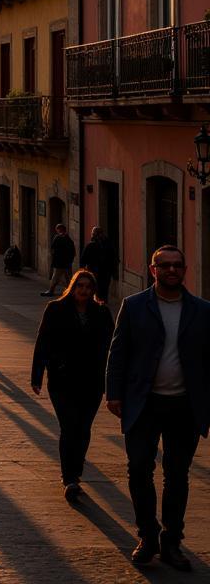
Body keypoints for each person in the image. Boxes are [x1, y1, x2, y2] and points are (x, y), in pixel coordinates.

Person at [106, 244, 210, 570]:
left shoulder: (202, 310)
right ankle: (147, 537)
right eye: (164, 265)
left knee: (177, 476)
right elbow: (118, 352)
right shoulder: (134, 306)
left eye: (177, 265)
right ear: (153, 270)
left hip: (185, 406)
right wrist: (113, 393)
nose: (171, 271)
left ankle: (172, 543)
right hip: (144, 403)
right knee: (139, 470)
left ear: (184, 269)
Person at [31, 269, 114, 502]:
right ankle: (69, 478)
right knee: (69, 427)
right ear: (73, 287)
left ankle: (75, 470)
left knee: (84, 428)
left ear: (93, 290)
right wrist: (37, 375)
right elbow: (43, 342)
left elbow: (112, 348)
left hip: (92, 381)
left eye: (88, 287)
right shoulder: (56, 309)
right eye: (80, 286)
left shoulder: (102, 313)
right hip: (62, 379)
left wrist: (114, 380)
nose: (84, 290)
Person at [81, 226, 116, 302]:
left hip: (94, 271)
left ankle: (95, 304)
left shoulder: (90, 245)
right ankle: (103, 304)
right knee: (104, 290)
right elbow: (113, 258)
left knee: (93, 289)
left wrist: (83, 271)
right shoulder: (109, 244)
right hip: (106, 272)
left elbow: (83, 259)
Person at [41, 223, 76, 297]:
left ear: (59, 230)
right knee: (68, 277)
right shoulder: (69, 239)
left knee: (55, 277)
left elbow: (53, 249)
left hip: (59, 262)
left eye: (57, 229)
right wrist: (70, 260)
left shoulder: (58, 238)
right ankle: (71, 292)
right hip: (67, 262)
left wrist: (54, 258)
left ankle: (51, 291)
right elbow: (73, 252)